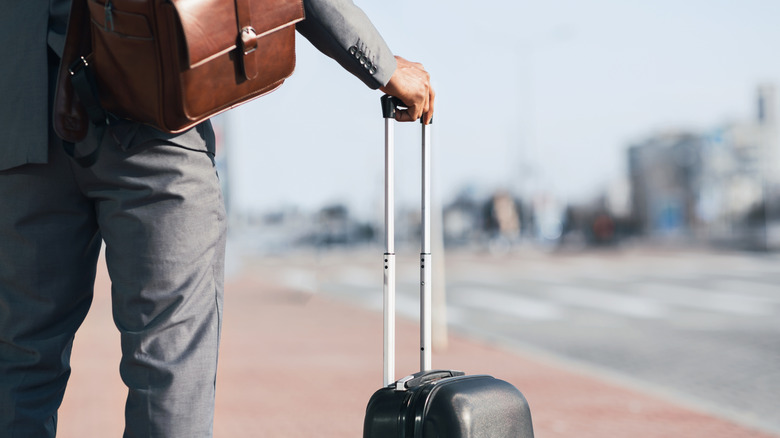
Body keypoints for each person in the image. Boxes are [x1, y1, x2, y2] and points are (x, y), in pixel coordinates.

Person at [0, 0, 434, 436]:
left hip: (22, 123)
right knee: (167, 372)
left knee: (19, 368)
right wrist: (381, 64)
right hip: (151, 114)